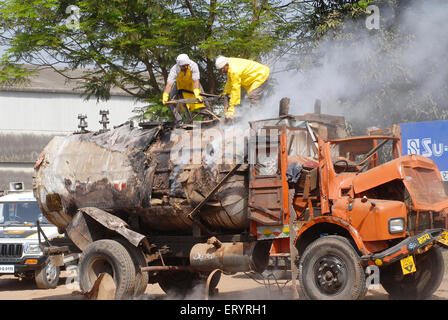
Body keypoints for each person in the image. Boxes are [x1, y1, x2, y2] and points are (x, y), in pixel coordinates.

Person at [215, 56, 270, 120]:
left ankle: (258, 118)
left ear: (226, 65)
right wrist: (225, 93)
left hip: (261, 75)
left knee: (253, 95)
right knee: (252, 98)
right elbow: (229, 82)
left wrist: (231, 110)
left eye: (222, 70)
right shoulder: (230, 65)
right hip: (254, 78)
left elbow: (235, 90)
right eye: (220, 71)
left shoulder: (234, 70)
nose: (222, 72)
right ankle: (256, 116)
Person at [162, 54, 205, 125]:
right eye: (183, 66)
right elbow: (169, 84)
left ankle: (207, 116)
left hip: (192, 83)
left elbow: (196, 81)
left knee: (203, 98)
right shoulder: (174, 69)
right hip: (179, 84)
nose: (186, 67)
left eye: (186, 65)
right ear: (178, 65)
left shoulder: (193, 65)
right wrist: (165, 95)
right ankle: (179, 121)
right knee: (171, 100)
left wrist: (197, 92)